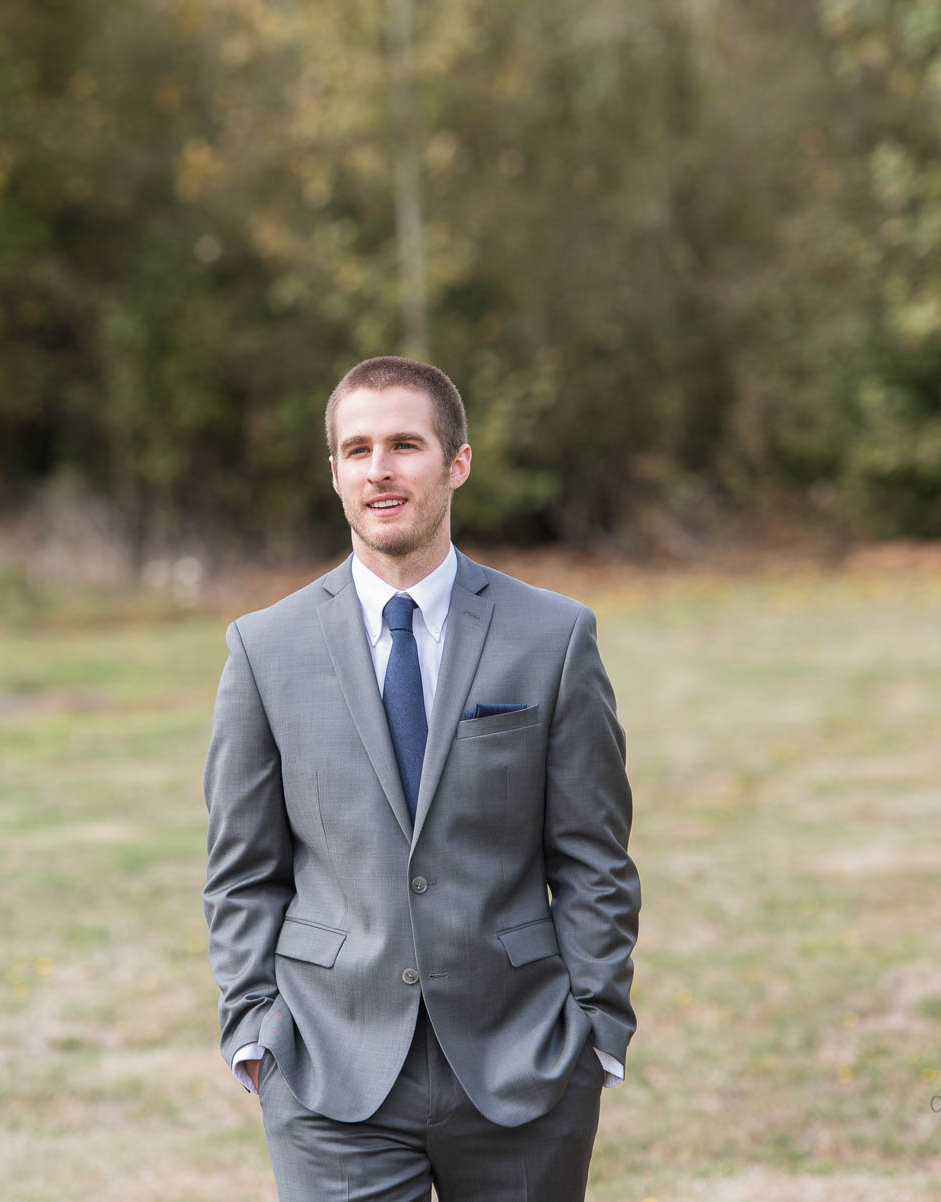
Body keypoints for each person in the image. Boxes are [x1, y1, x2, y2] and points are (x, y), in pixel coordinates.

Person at [202, 355, 641, 1200]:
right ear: (333, 471)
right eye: (357, 449)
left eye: (405, 444)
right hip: (330, 1068)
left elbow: (593, 858)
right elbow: (242, 869)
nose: (381, 470)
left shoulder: (552, 638)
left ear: (458, 462)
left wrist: (596, 1029)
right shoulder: (265, 649)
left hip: (524, 1062)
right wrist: (256, 1032)